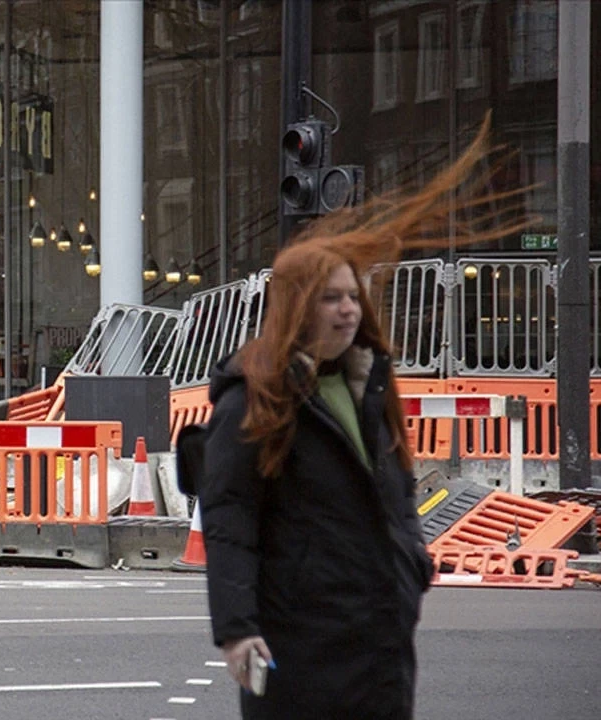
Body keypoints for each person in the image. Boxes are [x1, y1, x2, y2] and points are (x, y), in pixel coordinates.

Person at [197, 114, 530, 720]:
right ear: (299, 305)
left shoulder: (365, 384)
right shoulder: (253, 398)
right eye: (332, 297)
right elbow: (229, 517)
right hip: (297, 643)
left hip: (378, 637)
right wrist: (237, 630)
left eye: (354, 296)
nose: (349, 310)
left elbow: (396, 485)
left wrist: (411, 564)